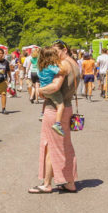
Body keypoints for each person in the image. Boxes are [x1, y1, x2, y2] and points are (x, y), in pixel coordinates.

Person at [29, 40, 79, 194]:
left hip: (55, 108)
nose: (54, 54)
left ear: (64, 49)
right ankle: (70, 182)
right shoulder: (74, 63)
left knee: (49, 146)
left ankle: (46, 184)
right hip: (66, 107)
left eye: (56, 51)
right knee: (65, 145)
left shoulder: (63, 64)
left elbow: (56, 86)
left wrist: (39, 90)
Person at [37, 46, 66, 135]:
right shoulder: (51, 67)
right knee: (61, 105)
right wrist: (59, 63)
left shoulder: (40, 67)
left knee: (47, 100)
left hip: (43, 90)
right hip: (51, 89)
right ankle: (57, 124)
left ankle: (42, 114)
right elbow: (62, 71)